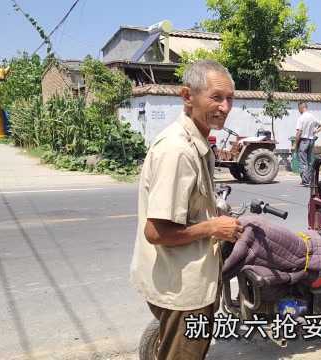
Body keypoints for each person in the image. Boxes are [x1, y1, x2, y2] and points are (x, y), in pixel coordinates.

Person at [130, 60, 243, 360]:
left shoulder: (198, 140)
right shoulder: (177, 150)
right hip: (182, 291)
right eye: (216, 97)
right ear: (187, 96)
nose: (225, 106)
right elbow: (156, 231)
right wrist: (213, 227)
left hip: (189, 284)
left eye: (230, 98)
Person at [294, 102, 321, 186]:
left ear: (302, 108)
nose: (299, 110)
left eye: (299, 109)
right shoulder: (312, 117)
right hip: (311, 140)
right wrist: (315, 131)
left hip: (304, 141)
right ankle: (309, 179)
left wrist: (296, 144)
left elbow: (299, 132)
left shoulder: (301, 118)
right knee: (309, 161)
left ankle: (305, 180)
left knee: (303, 161)